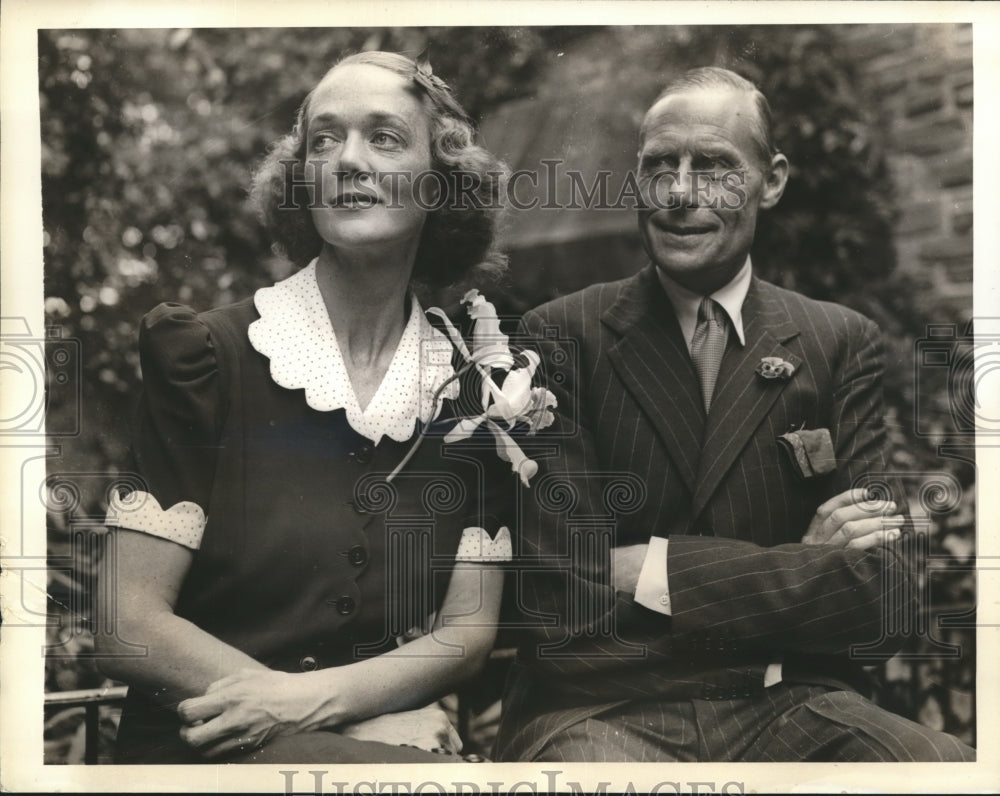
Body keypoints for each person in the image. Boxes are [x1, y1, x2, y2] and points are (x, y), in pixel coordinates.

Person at [495, 67, 975, 762]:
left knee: (942, 768)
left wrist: (650, 568)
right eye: (660, 166)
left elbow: (885, 600)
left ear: (771, 181)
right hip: (605, 712)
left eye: (714, 166)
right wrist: (803, 565)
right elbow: (560, 593)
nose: (681, 192)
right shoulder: (560, 335)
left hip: (791, 705)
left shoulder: (838, 343)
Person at [96, 51, 514, 764]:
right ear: (301, 181)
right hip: (202, 753)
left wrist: (331, 716)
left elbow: (464, 633)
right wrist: (324, 725)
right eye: (324, 139)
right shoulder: (206, 357)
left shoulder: (481, 387)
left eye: (384, 137)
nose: (347, 160)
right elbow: (125, 622)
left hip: (384, 753)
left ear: (442, 184)